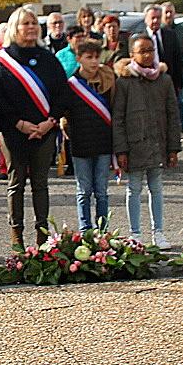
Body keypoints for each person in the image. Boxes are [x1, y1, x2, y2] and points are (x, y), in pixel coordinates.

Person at [0, 5, 69, 248]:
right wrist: (19, 123)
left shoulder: (48, 59)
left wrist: (50, 121)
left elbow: (62, 93)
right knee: (16, 183)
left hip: (44, 131)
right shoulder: (1, 61)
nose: (31, 27)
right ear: (15, 28)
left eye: (34, 23)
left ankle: (42, 237)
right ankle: (17, 238)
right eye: (25, 23)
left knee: (41, 184)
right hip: (14, 133)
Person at [112, 34, 179, 246]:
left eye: (151, 50)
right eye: (143, 51)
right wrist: (121, 150)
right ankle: (135, 233)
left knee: (156, 188)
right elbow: (118, 118)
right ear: (132, 55)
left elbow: (173, 116)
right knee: (133, 188)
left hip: (158, 142)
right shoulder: (124, 82)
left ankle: (158, 232)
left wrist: (173, 148)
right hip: (134, 145)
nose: (148, 55)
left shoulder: (164, 80)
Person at [62, 38, 116, 230]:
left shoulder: (107, 82)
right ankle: (85, 229)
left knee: (101, 191)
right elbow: (64, 113)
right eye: (88, 57)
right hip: (80, 144)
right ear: (78, 58)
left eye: (96, 57)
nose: (94, 62)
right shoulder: (71, 85)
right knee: (84, 190)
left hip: (103, 142)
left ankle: (102, 230)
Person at [137, 3, 183, 131]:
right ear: (145, 19)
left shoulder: (170, 35)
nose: (156, 21)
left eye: (158, 18)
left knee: (171, 110)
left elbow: (177, 60)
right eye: (152, 18)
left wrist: (178, 84)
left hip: (168, 80)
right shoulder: (139, 38)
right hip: (146, 82)